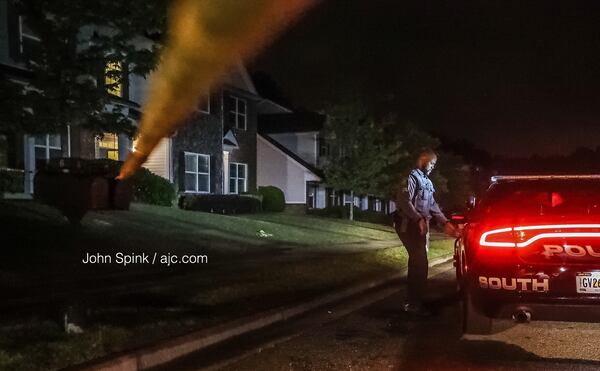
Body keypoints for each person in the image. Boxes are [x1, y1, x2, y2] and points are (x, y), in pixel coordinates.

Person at [394, 148, 458, 316]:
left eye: (434, 164)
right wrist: (418, 219)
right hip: (409, 224)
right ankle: (412, 303)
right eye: (431, 163)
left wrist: (445, 222)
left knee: (420, 263)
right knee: (419, 262)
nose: (432, 167)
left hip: (421, 225)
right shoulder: (411, 177)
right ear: (423, 159)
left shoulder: (427, 183)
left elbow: (433, 206)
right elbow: (404, 201)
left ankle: (416, 301)